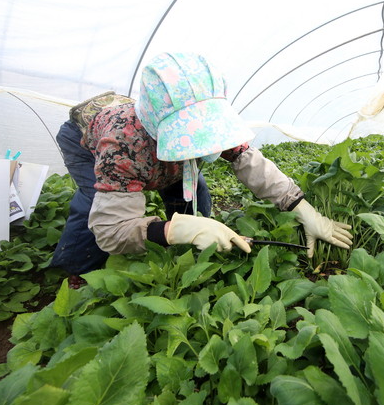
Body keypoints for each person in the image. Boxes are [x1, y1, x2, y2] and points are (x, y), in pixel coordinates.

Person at [51, 52, 353, 287]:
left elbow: (250, 162)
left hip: (149, 145)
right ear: (162, 126)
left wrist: (305, 211)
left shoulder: (207, 123)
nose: (204, 144)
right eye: (190, 133)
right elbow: (111, 230)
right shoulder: (121, 146)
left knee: (194, 191)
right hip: (83, 141)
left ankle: (183, 246)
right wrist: (174, 229)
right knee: (93, 202)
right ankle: (79, 269)